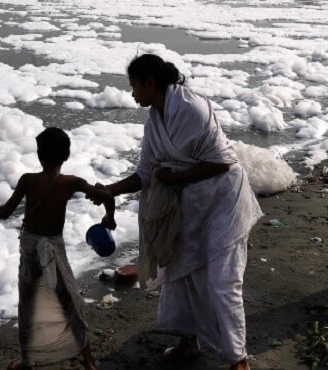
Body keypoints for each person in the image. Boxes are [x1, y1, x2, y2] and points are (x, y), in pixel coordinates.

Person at [90, 54, 262, 370]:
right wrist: (109, 190)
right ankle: (188, 342)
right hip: (192, 205)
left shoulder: (192, 109)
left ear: (149, 83)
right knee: (181, 272)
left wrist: (175, 177)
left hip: (224, 201)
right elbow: (145, 173)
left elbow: (222, 161)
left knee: (222, 281)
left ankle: (239, 360)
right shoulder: (155, 121)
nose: (131, 94)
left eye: (134, 86)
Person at [0, 127, 115, 370]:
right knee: (68, 300)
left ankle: (27, 362)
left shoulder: (28, 180)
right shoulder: (71, 183)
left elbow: (5, 213)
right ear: (66, 156)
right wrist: (110, 219)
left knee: (27, 305)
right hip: (53, 249)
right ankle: (88, 361)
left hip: (29, 248)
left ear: (39, 155)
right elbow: (107, 197)